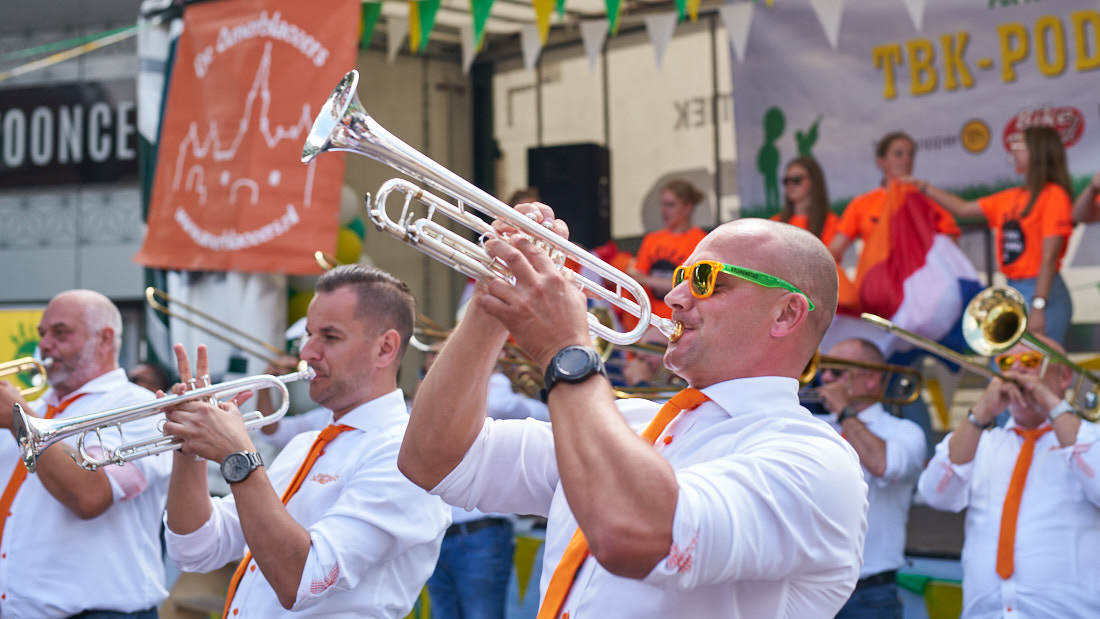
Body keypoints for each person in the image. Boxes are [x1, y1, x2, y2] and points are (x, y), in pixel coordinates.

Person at [399, 213, 868, 617]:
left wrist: (566, 351)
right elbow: (433, 457)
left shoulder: (815, 459)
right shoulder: (625, 422)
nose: (677, 297)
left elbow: (639, 535)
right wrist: (494, 299)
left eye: (705, 279)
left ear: (786, 314)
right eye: (681, 277)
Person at [162, 264, 450, 617]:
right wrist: (186, 441)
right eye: (309, 335)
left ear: (385, 349)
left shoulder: (406, 455)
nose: (307, 352)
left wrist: (238, 456)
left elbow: (303, 580)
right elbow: (196, 548)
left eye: (330, 337)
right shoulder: (305, 445)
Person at [0, 289, 171, 618]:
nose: (45, 345)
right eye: (42, 335)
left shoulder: (138, 408)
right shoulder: (34, 408)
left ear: (105, 339)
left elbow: (91, 495)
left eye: (60, 333)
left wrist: (19, 421)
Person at [917, 336, 1100, 617]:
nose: (1016, 372)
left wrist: (1051, 403)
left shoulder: (1091, 439)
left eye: (1030, 362)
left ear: (1064, 376)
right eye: (1006, 363)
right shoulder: (982, 442)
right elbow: (936, 495)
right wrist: (980, 414)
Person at [907, 126, 1075, 344]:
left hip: (1042, 292)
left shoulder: (1054, 196)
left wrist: (1038, 306)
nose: (1013, 152)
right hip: (1014, 288)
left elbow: (1049, 257)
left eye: (1019, 146)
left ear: (1038, 151)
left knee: (1036, 367)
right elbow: (962, 208)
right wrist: (923, 187)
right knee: (1006, 365)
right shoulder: (1011, 197)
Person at [424, 345, 549, 619]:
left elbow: (502, 405)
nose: (435, 360)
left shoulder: (495, 388)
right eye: (432, 356)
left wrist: (488, 366)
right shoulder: (432, 401)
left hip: (480, 534)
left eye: (443, 353)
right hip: (440, 535)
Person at [815, 338, 927, 619]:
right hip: (807, 589)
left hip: (868, 594)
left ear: (872, 379)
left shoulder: (905, 432)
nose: (826, 378)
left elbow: (883, 465)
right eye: (825, 370)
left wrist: (845, 412)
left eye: (838, 372)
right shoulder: (814, 428)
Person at [828, 131, 960, 264]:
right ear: (881, 161)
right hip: (876, 280)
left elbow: (951, 245)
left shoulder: (930, 200)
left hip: (916, 279)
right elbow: (835, 248)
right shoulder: (861, 203)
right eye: (898, 154)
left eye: (911, 155)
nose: (906, 159)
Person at [627, 179, 707, 320]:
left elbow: (692, 287)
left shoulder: (701, 240)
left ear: (687, 207)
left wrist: (647, 279)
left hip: (681, 321)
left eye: (670, 205)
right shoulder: (651, 239)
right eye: (662, 204)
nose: (664, 211)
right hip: (648, 319)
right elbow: (636, 277)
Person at [772, 156, 839, 247]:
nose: (790, 185)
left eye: (797, 180)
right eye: (786, 180)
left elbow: (830, 259)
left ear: (813, 181)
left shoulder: (829, 221)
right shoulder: (775, 222)